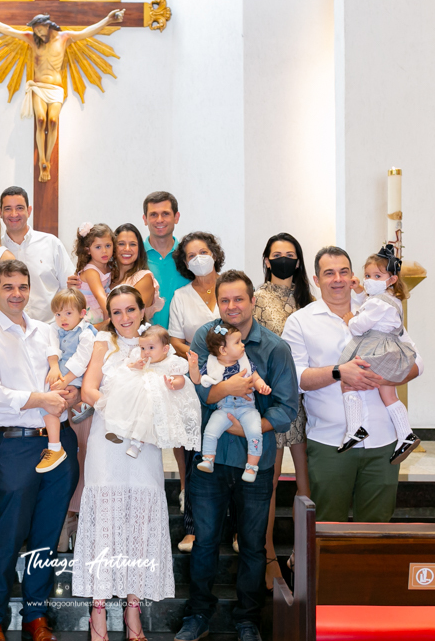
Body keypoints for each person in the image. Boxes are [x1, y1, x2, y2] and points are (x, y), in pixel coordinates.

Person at [176, 270, 298, 641]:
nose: (231, 306)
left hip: (254, 463)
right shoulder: (204, 338)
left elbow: (286, 407)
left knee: (252, 543)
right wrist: (223, 390)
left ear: (252, 302)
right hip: (209, 463)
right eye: (224, 300)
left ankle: (248, 619)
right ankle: (198, 614)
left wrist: (248, 427)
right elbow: (191, 393)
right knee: (206, 541)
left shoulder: (275, 348)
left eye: (238, 299)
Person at [0, 259, 80, 641]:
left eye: (23, 286)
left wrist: (67, 394)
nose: (17, 294)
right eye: (9, 287)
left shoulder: (46, 331)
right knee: (9, 534)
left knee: (47, 534)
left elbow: (62, 376)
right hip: (16, 445)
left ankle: (36, 614)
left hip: (58, 440)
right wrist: (41, 398)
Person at [280, 247, 422, 525]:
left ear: (353, 276)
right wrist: (338, 372)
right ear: (316, 279)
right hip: (331, 442)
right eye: (329, 273)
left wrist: (384, 377)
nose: (338, 279)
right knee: (327, 528)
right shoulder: (300, 322)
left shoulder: (378, 309)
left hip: (384, 442)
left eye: (344, 271)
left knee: (377, 530)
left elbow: (418, 363)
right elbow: (293, 378)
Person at [73, 287, 177, 641]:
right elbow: (88, 390)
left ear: (141, 309)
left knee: (139, 520)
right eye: (116, 312)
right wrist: (120, 411)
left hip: (144, 443)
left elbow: (174, 388)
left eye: (130, 309)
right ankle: (98, 611)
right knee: (107, 520)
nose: (124, 318)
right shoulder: (104, 341)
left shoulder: (157, 342)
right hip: (108, 440)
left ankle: (134, 610)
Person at [0, 7, 124, 181]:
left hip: (56, 89)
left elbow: (88, 31)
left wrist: (108, 20)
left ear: (47, 25)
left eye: (39, 29)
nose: (37, 33)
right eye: (35, 30)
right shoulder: (32, 40)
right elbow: (8, 30)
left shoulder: (64, 38)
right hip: (39, 87)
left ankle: (48, 159)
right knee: (41, 120)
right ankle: (42, 160)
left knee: (52, 121)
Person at [252, 232, 315, 585]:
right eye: (277, 254)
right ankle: (268, 556)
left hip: (306, 397)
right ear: (266, 260)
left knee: (306, 481)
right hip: (273, 397)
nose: (284, 260)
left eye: (290, 254)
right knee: (271, 481)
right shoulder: (257, 299)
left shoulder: (311, 300)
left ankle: (303, 554)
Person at [166, 230, 225, 552]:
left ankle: (232, 528)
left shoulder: (229, 289)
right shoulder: (181, 296)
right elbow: (174, 338)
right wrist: (198, 354)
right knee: (195, 455)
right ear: (185, 263)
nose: (198, 258)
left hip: (232, 380)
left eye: (203, 251)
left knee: (231, 456)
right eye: (191, 255)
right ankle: (192, 528)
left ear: (214, 253)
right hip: (195, 383)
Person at [338, 245, 419, 461]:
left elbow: (359, 326)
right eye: (367, 275)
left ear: (391, 279)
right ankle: (406, 434)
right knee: (388, 394)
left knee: (348, 381)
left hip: (377, 348)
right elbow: (371, 301)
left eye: (376, 275)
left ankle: (355, 429)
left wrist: (350, 320)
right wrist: (358, 291)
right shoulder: (390, 299)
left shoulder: (377, 304)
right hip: (389, 349)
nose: (369, 280)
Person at [93, 323, 201, 456]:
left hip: (155, 397)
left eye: (151, 348)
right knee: (123, 394)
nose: (146, 352)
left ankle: (137, 444)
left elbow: (181, 380)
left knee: (146, 414)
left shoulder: (172, 362)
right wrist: (135, 365)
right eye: (143, 348)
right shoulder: (140, 358)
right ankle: (117, 429)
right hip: (138, 391)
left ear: (165, 349)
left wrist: (172, 383)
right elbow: (129, 366)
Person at [46, 289, 98, 552]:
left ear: (82, 313)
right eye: (58, 313)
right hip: (61, 387)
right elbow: (51, 348)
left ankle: (83, 526)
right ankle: (64, 524)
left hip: (77, 387)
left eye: (68, 313)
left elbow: (81, 360)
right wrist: (54, 368)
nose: (63, 318)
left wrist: (63, 380)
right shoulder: (53, 329)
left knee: (84, 458)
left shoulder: (88, 333)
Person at [189, 321, 272, 482]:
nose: (243, 345)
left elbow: (256, 378)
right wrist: (193, 366)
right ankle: (208, 459)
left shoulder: (245, 363)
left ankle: (251, 466)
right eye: (237, 342)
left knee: (255, 432)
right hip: (224, 409)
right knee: (211, 431)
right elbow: (198, 380)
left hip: (247, 408)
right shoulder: (211, 365)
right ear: (223, 350)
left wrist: (262, 387)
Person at [0, 185, 76, 324]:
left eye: (20, 208)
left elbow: (70, 290)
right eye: (8, 209)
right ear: (0, 212)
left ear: (29, 210)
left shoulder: (51, 243)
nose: (14, 214)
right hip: (8, 332)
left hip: (50, 330)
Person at [142, 191, 186, 329]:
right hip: (142, 344)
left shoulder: (189, 257)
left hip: (184, 345)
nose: (159, 220)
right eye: (153, 214)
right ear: (145, 219)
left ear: (176, 217)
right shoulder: (134, 257)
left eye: (165, 214)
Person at [114, 222, 164, 322]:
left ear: (139, 249)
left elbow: (128, 318)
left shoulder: (144, 279)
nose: (127, 249)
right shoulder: (106, 278)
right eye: (121, 244)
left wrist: (92, 328)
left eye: (132, 244)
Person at [73, 223, 117, 324]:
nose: (104, 251)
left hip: (102, 310)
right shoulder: (91, 271)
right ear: (88, 250)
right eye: (98, 247)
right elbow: (100, 296)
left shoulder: (109, 267)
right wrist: (114, 318)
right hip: (88, 316)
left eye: (108, 245)